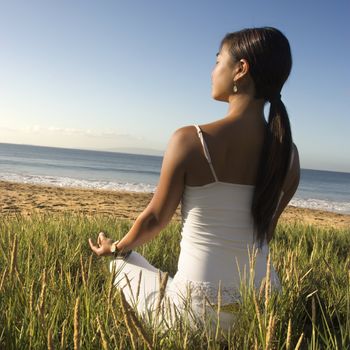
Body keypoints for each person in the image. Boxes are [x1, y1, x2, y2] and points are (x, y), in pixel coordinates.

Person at [89, 26, 300, 333]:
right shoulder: (289, 155)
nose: (213, 71)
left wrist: (115, 248)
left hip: (192, 316)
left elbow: (155, 219)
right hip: (263, 312)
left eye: (218, 62)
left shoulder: (191, 140)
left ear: (241, 70)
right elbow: (264, 232)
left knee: (122, 262)